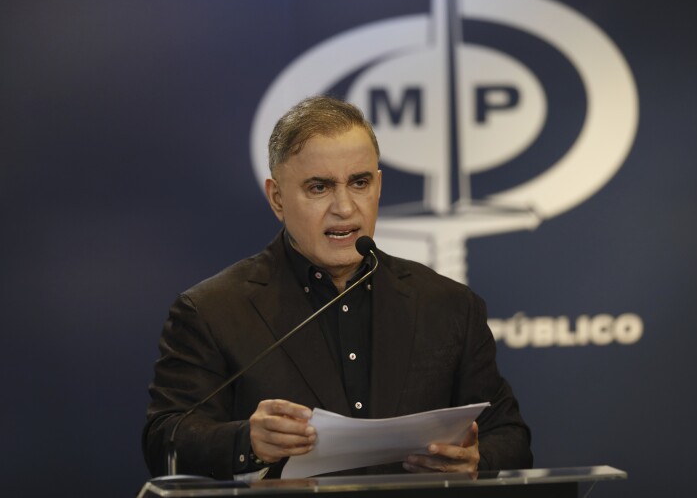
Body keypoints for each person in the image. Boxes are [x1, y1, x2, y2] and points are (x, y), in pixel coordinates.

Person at [142, 96, 532, 479]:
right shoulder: (212, 311)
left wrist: (478, 460)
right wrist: (247, 442)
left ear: (378, 186)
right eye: (319, 187)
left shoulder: (449, 306)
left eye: (359, 182)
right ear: (277, 198)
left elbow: (510, 436)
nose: (345, 208)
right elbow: (165, 442)